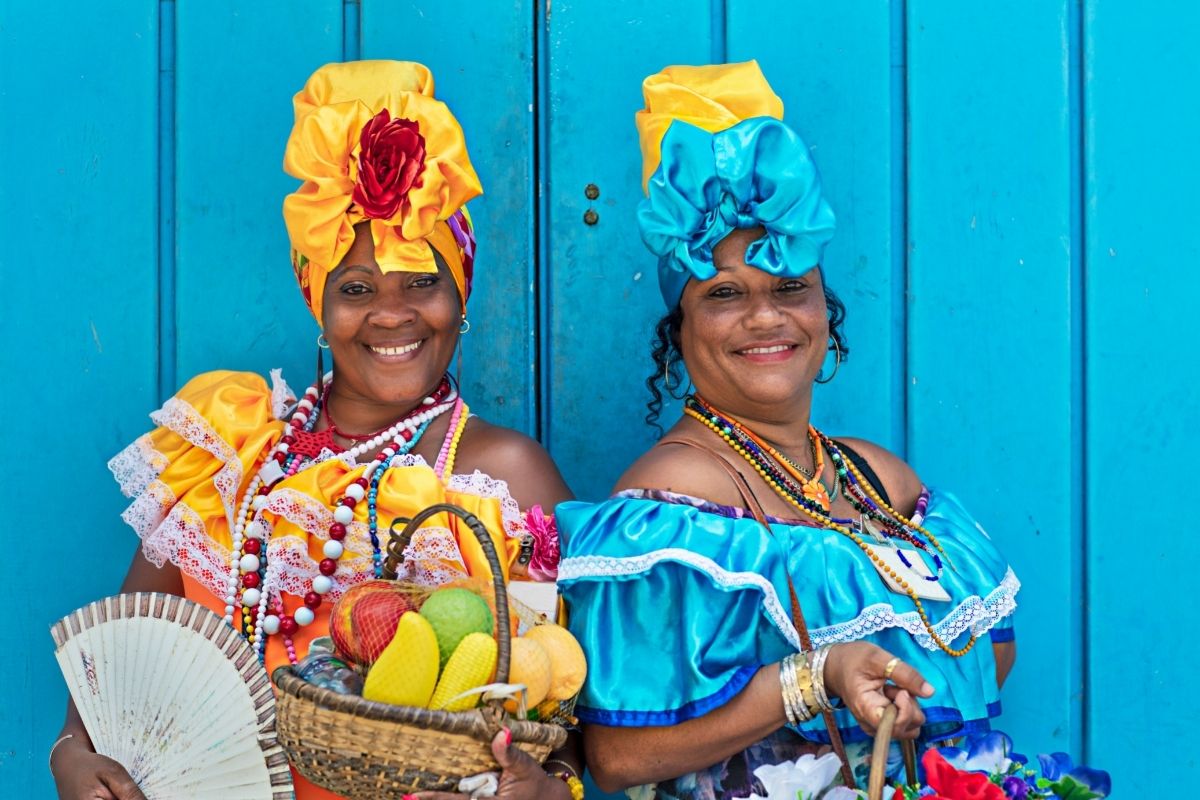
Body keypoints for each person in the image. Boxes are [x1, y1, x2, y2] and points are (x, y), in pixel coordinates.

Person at [51, 60, 580, 800]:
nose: (391, 315)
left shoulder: (502, 474)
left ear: (461, 294)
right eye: (356, 289)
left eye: (422, 283)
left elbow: (565, 726)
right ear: (318, 306)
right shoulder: (229, 453)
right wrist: (73, 753)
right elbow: (125, 651)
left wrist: (548, 793)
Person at [556, 61, 1018, 798]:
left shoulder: (876, 476)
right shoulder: (669, 501)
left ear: (823, 311)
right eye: (726, 294)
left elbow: (986, 648)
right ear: (681, 328)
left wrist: (895, 685)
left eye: (789, 289)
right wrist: (813, 680)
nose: (765, 317)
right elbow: (617, 758)